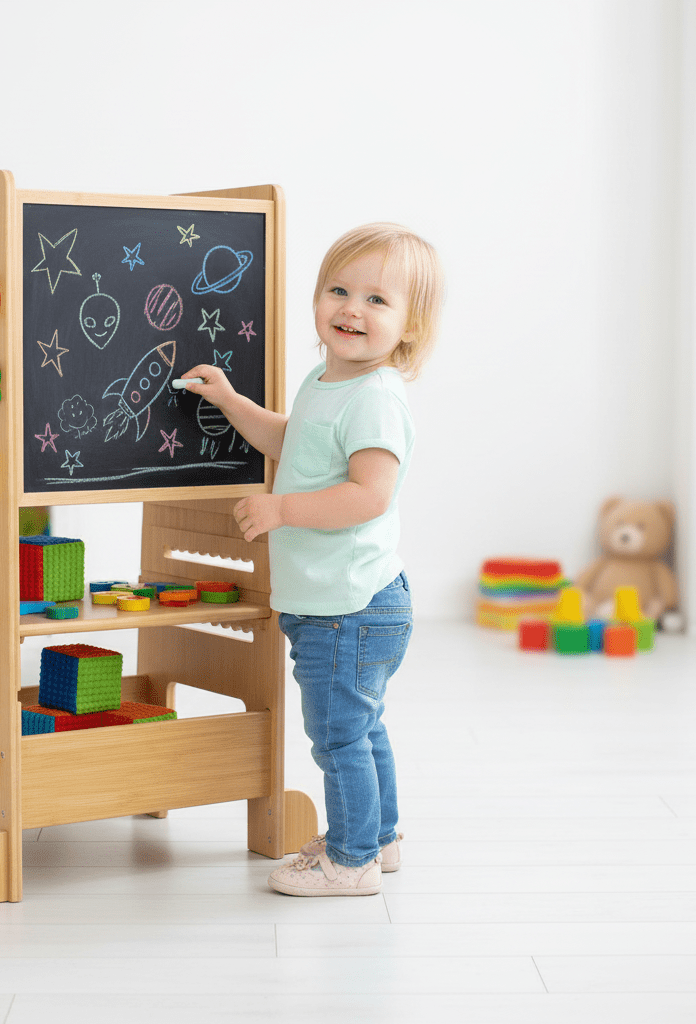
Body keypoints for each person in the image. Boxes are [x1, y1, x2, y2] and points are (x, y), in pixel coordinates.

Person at [180, 222, 445, 897]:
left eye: (377, 300)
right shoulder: (328, 382)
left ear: (410, 326)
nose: (351, 309)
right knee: (361, 727)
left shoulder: (375, 398)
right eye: (339, 290)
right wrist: (232, 402)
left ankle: (350, 861)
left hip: (347, 606)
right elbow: (293, 441)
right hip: (341, 601)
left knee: (337, 737)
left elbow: (369, 494)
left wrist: (282, 510)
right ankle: (378, 839)